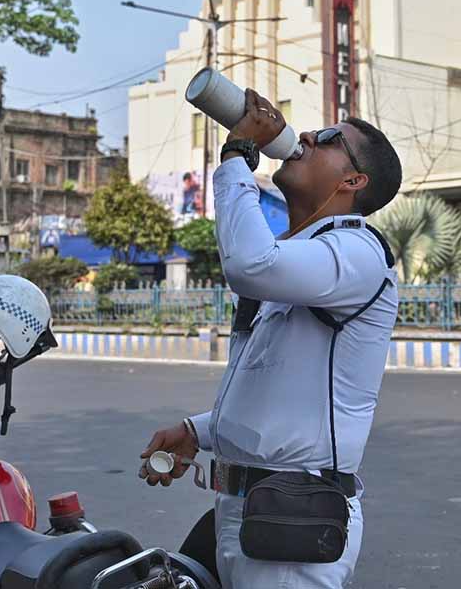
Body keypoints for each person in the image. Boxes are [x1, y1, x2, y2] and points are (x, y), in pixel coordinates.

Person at [139, 89, 402, 588]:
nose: (304, 136)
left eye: (327, 139)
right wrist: (198, 432)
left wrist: (238, 155)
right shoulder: (303, 260)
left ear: (353, 180)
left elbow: (249, 265)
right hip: (246, 512)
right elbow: (275, 394)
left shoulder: (357, 251)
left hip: (293, 522)